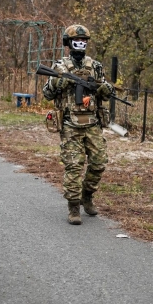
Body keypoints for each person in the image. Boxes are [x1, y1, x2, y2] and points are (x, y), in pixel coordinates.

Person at [42, 24, 114, 225]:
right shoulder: (60, 67)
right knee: (74, 166)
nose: (81, 44)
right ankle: (74, 207)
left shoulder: (95, 66)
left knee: (99, 163)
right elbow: (47, 94)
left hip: (92, 123)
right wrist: (59, 83)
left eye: (84, 41)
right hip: (70, 123)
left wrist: (104, 89)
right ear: (69, 43)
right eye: (77, 41)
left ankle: (87, 196)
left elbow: (105, 92)